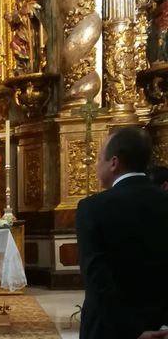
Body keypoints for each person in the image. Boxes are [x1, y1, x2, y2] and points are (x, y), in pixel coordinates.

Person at [76, 127, 168, 339]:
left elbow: (97, 276)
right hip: (160, 325)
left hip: (108, 328)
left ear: (114, 163)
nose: (97, 165)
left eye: (100, 158)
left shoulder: (93, 207)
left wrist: (133, 330)